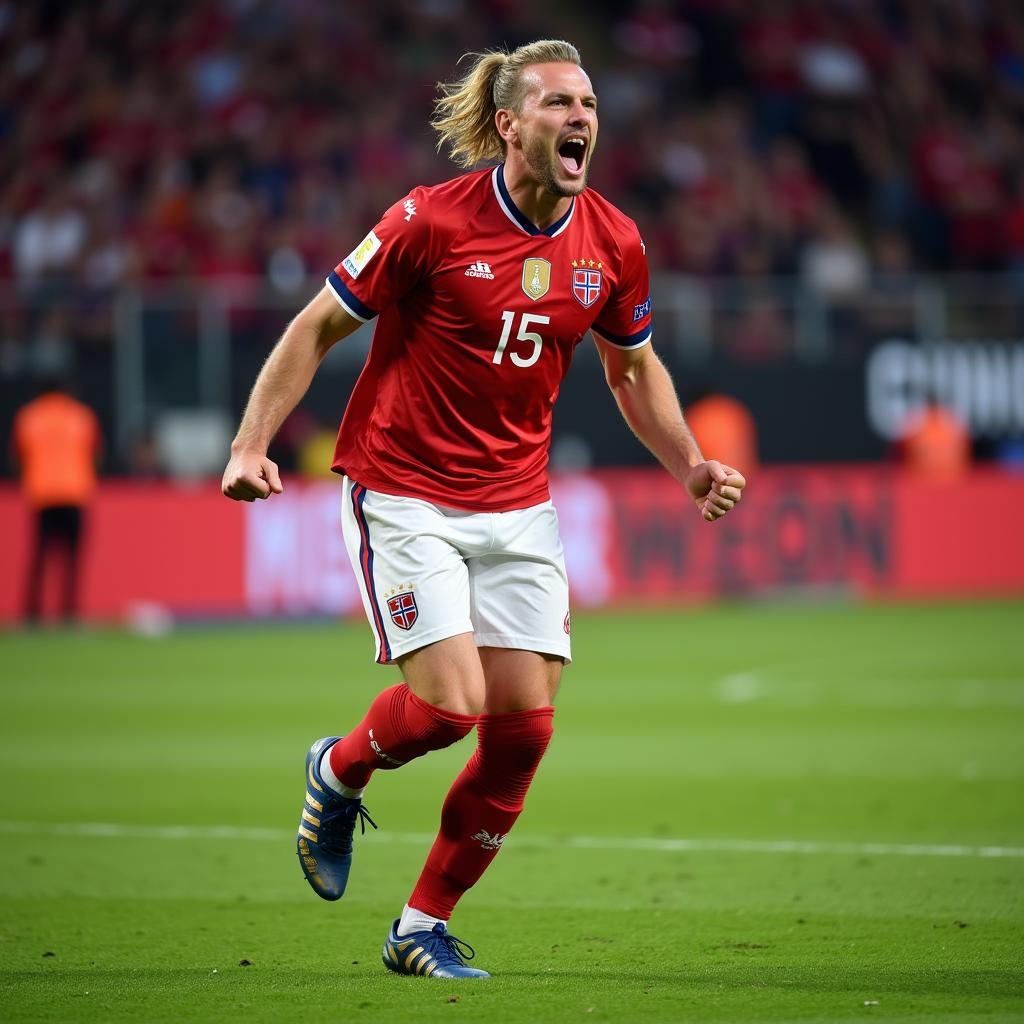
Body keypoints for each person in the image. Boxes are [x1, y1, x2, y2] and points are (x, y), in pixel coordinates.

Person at [222, 39, 746, 980]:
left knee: (525, 730)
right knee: (452, 708)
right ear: (509, 124)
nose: (580, 117)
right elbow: (317, 326)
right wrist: (250, 444)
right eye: (557, 103)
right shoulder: (427, 220)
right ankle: (336, 770)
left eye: (588, 102)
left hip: (517, 502)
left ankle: (420, 926)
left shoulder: (614, 242)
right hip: (404, 490)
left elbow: (631, 369)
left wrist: (689, 464)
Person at [11, 376, 102, 623]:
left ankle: (33, 613)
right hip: (74, 492)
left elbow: (19, 455)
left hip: (42, 493)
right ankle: (69, 612)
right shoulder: (81, 416)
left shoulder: (28, 417)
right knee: (72, 558)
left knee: (40, 557)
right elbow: (95, 452)